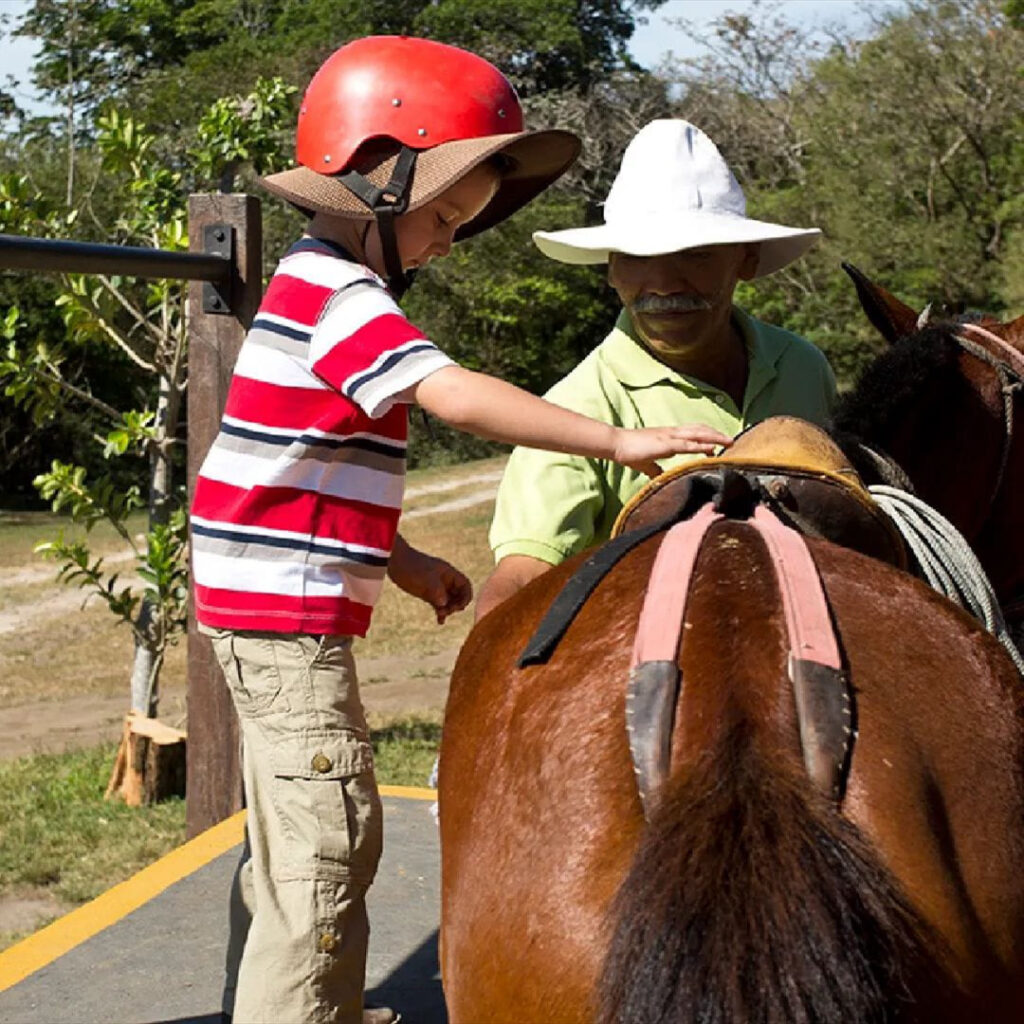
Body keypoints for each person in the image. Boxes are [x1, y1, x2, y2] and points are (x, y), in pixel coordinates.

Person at [189, 40, 728, 1024]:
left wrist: (400, 558)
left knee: (293, 839)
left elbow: (296, 468)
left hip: (267, 605)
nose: (446, 243)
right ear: (379, 179)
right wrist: (615, 436)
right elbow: (453, 394)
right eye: (443, 218)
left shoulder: (314, 289)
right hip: (282, 622)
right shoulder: (341, 296)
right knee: (327, 838)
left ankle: (313, 1007)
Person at [477, 118, 838, 620]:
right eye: (636, 258)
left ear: (746, 261)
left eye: (696, 254)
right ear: (609, 269)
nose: (663, 282)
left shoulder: (802, 365)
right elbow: (524, 569)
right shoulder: (576, 407)